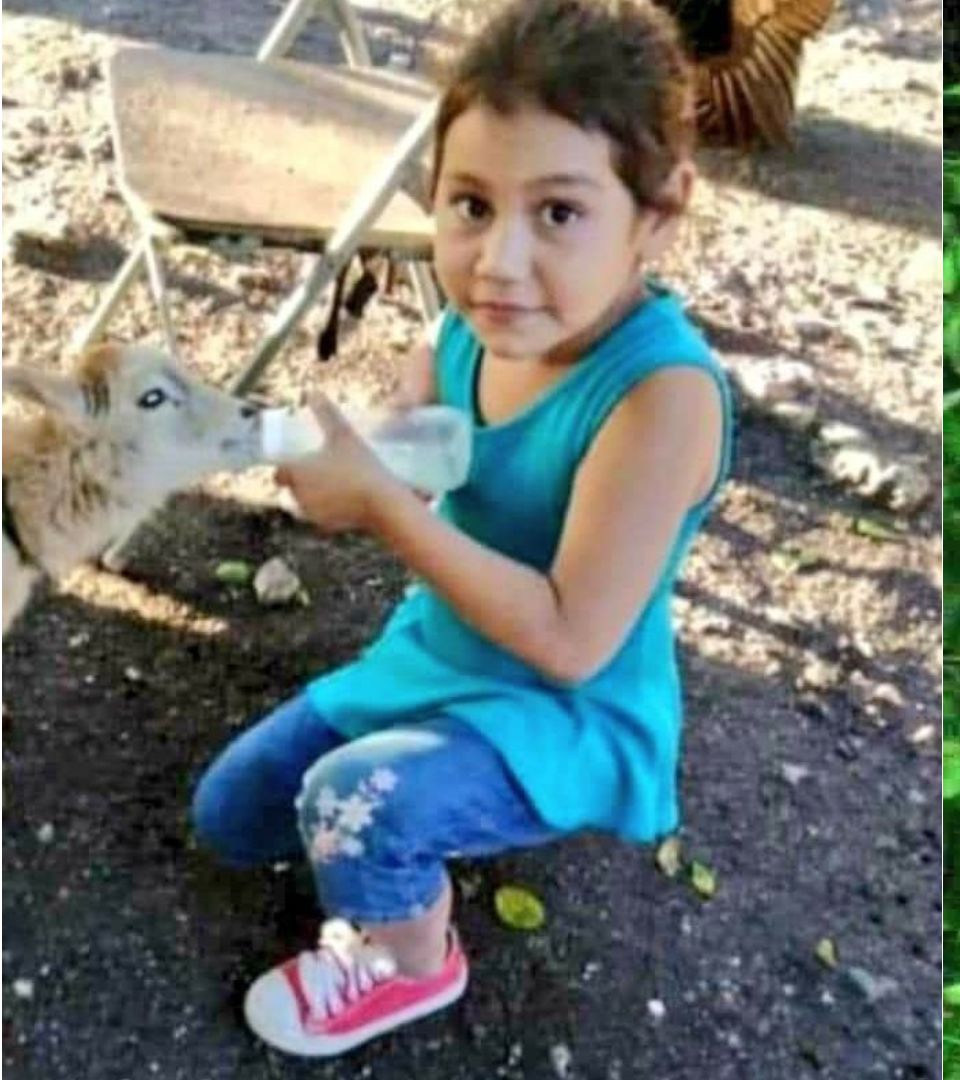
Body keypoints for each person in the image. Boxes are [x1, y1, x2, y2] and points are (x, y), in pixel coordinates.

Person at [188, 0, 731, 1056]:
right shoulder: (470, 327)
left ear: (658, 215)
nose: (499, 262)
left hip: (569, 708)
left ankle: (410, 959)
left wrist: (383, 508)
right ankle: (419, 803)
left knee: (352, 803)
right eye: (471, 205)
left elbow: (573, 640)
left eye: (560, 214)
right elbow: (423, 436)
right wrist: (347, 451)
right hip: (438, 658)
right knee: (232, 816)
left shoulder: (661, 398)